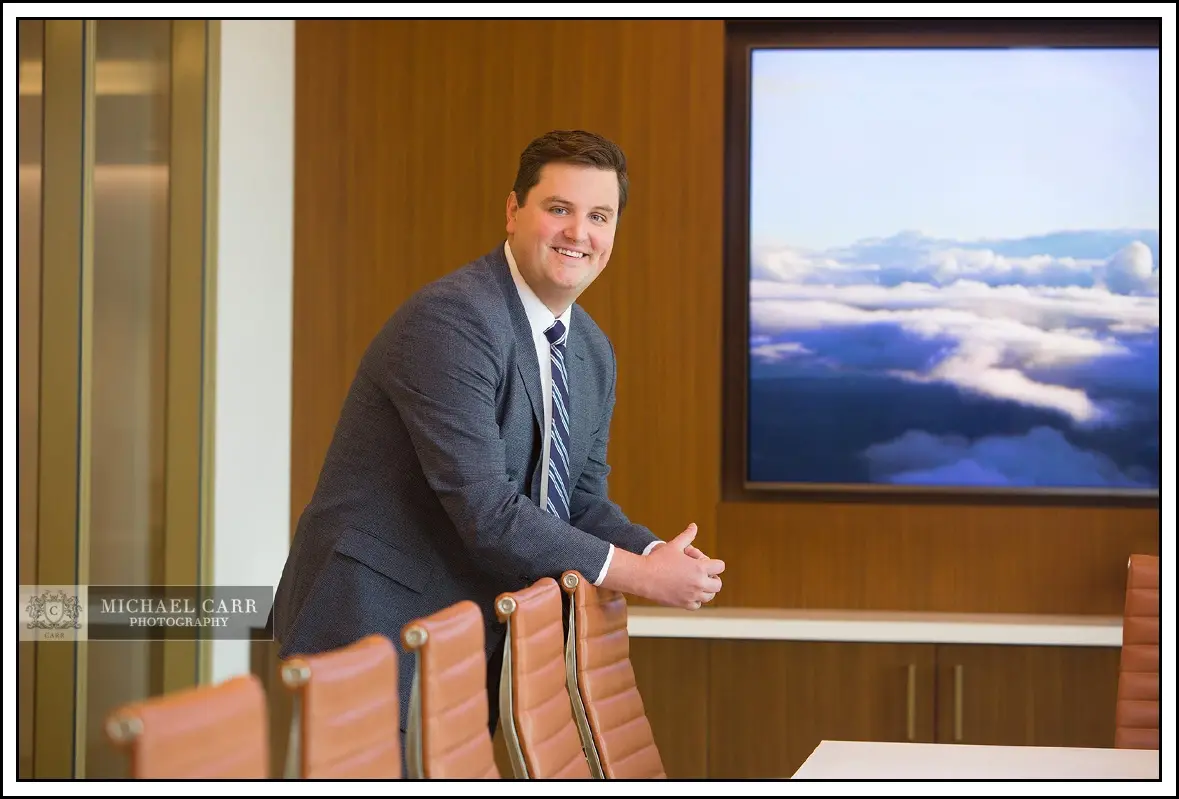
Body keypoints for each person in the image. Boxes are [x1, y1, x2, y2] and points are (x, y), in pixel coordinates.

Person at [270, 129, 725, 753]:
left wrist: (655, 556)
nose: (578, 233)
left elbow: (581, 502)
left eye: (599, 216)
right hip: (371, 623)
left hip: (465, 632)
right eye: (558, 209)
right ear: (514, 211)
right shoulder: (453, 320)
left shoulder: (590, 351)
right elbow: (488, 511)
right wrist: (641, 579)